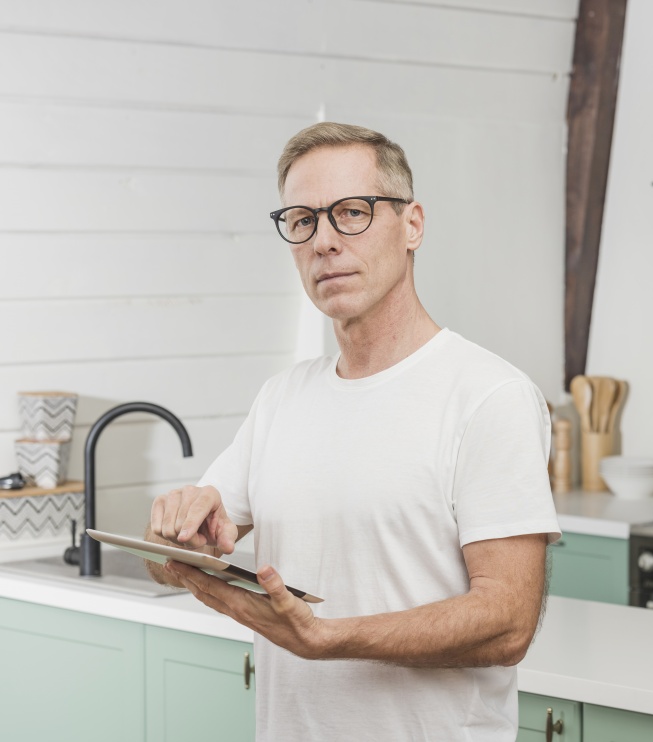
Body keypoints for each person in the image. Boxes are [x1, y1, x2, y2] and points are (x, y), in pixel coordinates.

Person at [144, 122, 561, 741]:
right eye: (302, 220)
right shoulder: (282, 398)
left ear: (413, 224)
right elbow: (168, 562)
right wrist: (177, 535)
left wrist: (328, 640)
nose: (324, 242)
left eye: (351, 213)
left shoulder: (488, 396)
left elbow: (508, 624)